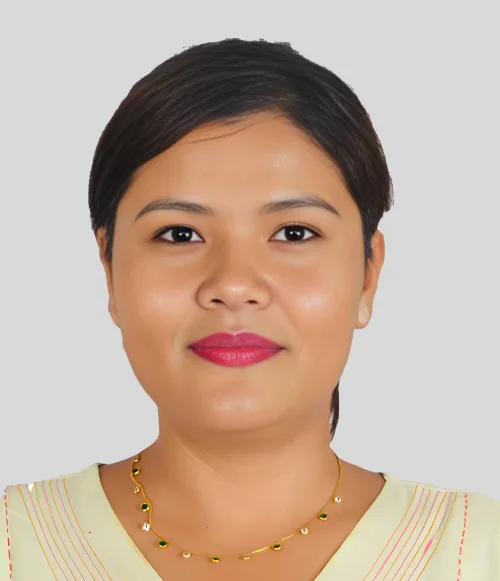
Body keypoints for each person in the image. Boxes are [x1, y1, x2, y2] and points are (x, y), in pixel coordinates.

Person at [2, 37, 498, 581]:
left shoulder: (477, 550)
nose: (234, 285)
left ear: (367, 274)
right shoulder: (13, 543)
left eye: (294, 232)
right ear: (110, 270)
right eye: (180, 234)